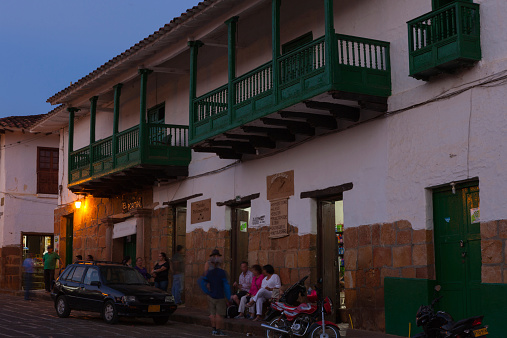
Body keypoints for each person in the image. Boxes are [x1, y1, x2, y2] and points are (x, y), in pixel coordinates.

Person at [198, 250, 230, 336]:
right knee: (219, 314)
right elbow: (226, 285)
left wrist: (207, 291)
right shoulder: (222, 272)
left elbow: (201, 280)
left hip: (211, 292)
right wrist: (228, 296)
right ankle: (218, 330)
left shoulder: (209, 270)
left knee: (212, 313)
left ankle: (214, 330)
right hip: (219, 294)